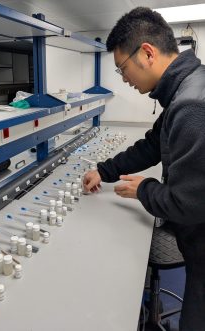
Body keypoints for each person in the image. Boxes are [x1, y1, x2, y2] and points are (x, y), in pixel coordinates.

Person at [83, 7, 205, 331]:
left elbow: (188, 204)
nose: (124, 79)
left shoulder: (191, 104)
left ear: (147, 53)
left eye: (123, 69)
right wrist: (104, 171)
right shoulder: (186, 88)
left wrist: (142, 190)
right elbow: (152, 145)